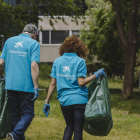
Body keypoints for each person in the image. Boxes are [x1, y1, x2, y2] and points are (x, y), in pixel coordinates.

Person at [43, 35, 105, 140]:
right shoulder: (80, 61)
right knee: (77, 129)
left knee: (69, 126)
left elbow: (52, 83)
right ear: (79, 48)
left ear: (64, 47)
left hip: (65, 101)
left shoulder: (57, 61)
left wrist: (47, 101)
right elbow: (81, 82)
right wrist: (96, 75)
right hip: (79, 100)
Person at [0, 23, 40, 140]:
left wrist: (1, 77)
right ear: (34, 35)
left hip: (10, 85)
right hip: (26, 86)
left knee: (15, 115)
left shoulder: (9, 41)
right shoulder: (34, 44)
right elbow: (34, 65)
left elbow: (1, 63)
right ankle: (15, 134)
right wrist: (36, 87)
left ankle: (15, 136)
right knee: (28, 114)